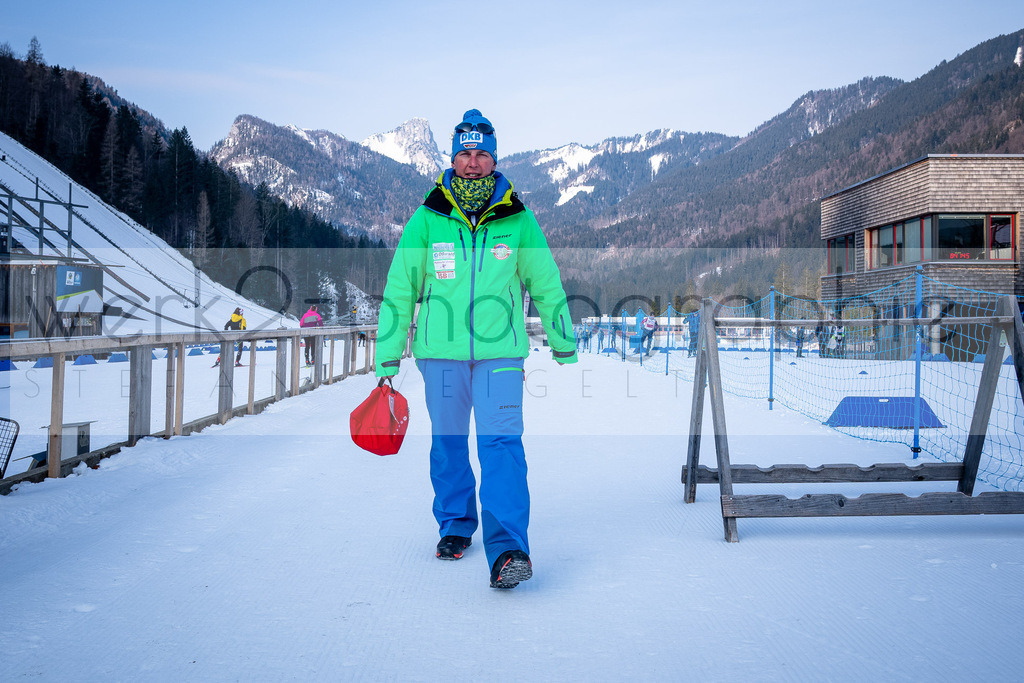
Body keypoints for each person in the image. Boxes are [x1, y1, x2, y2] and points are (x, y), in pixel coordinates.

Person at [375, 109, 577, 590]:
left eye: (481, 153)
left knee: (502, 444)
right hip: (439, 352)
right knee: (448, 443)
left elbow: (544, 281)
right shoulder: (427, 219)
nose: (472, 162)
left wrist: (563, 338)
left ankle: (508, 549)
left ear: (493, 158)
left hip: (500, 353)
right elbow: (399, 289)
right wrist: (388, 353)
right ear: (452, 158)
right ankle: (455, 524)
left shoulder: (518, 218)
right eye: (464, 153)